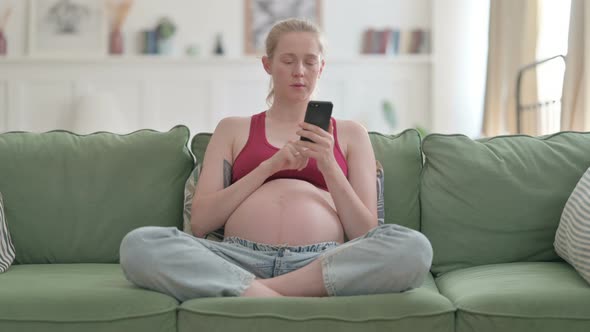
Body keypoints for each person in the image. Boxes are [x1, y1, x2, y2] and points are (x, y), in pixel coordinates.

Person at [119, 18, 432, 301]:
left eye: (310, 62)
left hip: (321, 261)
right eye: (288, 60)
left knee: (413, 249)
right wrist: (269, 168)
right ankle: (277, 290)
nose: (299, 71)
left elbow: (366, 234)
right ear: (268, 64)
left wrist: (328, 165)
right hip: (235, 257)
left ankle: (258, 292)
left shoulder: (351, 134)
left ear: (321, 67)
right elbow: (201, 223)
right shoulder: (232, 129)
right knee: (139, 245)